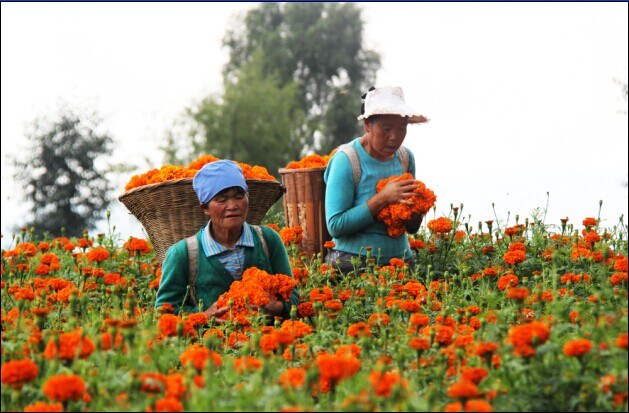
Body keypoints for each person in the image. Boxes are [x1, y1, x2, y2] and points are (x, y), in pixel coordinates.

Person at [155, 159, 299, 323]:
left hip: (268, 341)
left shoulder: (268, 239)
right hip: (211, 346)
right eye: (222, 200)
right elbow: (164, 313)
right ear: (205, 208)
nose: (232, 206)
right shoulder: (182, 254)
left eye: (239, 196)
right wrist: (204, 316)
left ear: (248, 197)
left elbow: (293, 295)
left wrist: (274, 307)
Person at [324, 86, 429, 273]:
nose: (394, 137)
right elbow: (335, 225)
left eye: (401, 129)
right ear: (367, 125)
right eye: (386, 129)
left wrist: (417, 210)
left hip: (402, 265)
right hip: (353, 266)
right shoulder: (347, 160)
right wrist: (383, 199)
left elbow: (411, 229)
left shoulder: (406, 158)